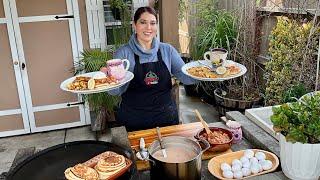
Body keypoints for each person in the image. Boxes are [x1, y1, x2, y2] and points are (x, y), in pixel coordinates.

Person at [108, 6, 196, 131]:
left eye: (152, 23)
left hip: (166, 119)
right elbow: (114, 92)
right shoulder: (124, 54)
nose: (148, 28)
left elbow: (187, 78)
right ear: (134, 25)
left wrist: (207, 71)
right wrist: (107, 78)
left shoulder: (167, 50)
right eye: (143, 22)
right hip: (133, 121)